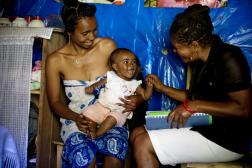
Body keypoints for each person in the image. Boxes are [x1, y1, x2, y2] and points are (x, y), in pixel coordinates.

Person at [131, 4, 251, 167]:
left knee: (143, 144)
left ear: (194, 46)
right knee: (137, 133)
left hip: (226, 139)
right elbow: (194, 97)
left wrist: (194, 106)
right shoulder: (200, 61)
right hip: (204, 127)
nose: (174, 52)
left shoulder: (229, 57)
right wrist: (162, 88)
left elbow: (243, 109)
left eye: (177, 48)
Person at [46, 1, 143, 167]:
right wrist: (77, 118)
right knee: (85, 156)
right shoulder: (56, 60)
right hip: (78, 120)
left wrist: (138, 99)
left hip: (110, 117)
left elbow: (128, 80)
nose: (91, 37)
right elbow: (55, 102)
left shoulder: (107, 46)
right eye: (85, 33)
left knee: (114, 151)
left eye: (94, 30)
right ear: (70, 31)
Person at [82, 48, 153, 139]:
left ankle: (97, 134)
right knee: (88, 112)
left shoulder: (135, 83)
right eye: (126, 61)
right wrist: (92, 87)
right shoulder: (111, 76)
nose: (131, 64)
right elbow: (99, 83)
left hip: (120, 112)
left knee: (111, 119)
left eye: (134, 62)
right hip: (102, 106)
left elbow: (145, 96)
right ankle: (91, 128)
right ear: (115, 67)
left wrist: (149, 87)